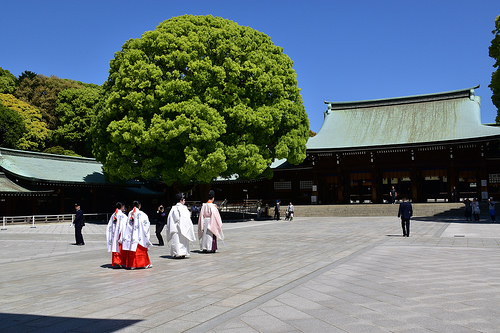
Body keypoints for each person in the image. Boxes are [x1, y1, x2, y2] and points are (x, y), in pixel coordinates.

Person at [121, 200, 153, 269]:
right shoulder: (142, 214)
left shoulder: (130, 213)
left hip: (132, 234)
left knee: (132, 248)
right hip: (139, 235)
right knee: (140, 248)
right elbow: (146, 224)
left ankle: (132, 264)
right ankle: (143, 264)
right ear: (139, 206)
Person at [167, 193, 196, 258]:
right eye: (184, 200)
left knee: (177, 241)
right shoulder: (183, 208)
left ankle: (177, 253)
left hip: (175, 227)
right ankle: (181, 253)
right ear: (181, 200)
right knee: (180, 241)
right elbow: (186, 218)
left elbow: (170, 218)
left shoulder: (173, 208)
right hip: (181, 226)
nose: (184, 201)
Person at [106, 202, 127, 268]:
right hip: (121, 234)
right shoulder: (123, 216)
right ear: (122, 207)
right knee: (120, 248)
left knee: (115, 247)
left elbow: (110, 225)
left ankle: (116, 262)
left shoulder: (113, 215)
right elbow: (126, 225)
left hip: (114, 234)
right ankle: (121, 262)